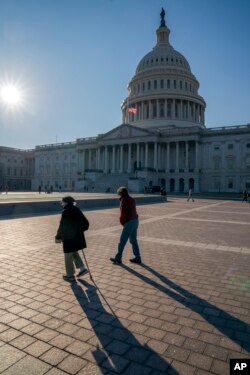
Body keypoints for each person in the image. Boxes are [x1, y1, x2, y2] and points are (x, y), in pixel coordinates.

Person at [55, 196, 89, 282]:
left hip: (69, 238)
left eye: (62, 202)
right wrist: (79, 231)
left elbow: (62, 226)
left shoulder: (66, 212)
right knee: (74, 252)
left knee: (68, 256)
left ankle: (70, 275)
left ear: (66, 202)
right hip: (77, 237)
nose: (61, 203)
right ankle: (82, 269)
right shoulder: (77, 209)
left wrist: (58, 237)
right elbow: (86, 223)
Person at [110, 186, 141, 265]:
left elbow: (124, 213)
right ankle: (137, 257)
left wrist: (122, 221)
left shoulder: (124, 200)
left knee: (122, 241)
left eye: (119, 193)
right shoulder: (131, 199)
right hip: (135, 220)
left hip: (129, 221)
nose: (118, 195)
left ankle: (118, 258)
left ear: (121, 193)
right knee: (133, 240)